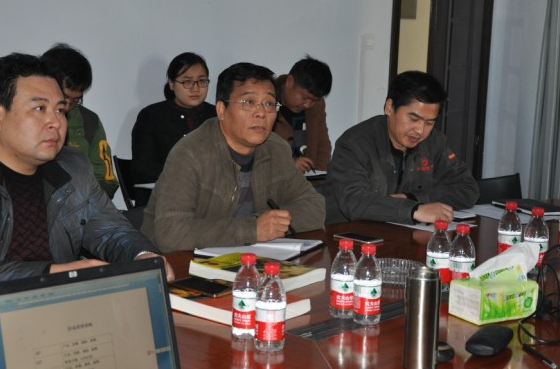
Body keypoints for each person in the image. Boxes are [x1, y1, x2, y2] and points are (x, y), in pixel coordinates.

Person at [0, 53, 173, 310]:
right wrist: (53, 274)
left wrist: (143, 255)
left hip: (54, 307)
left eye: (60, 110)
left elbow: (111, 231)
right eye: (39, 108)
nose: (56, 122)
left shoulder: (73, 168)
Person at [141, 62, 325, 253]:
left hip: (248, 258)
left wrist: (268, 225)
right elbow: (171, 234)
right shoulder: (189, 154)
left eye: (269, 104)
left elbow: (315, 208)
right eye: (249, 102)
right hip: (180, 264)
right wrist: (252, 229)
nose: (261, 113)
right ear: (221, 110)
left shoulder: (276, 149)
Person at [324, 70, 479, 225]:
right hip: (348, 232)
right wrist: (413, 210)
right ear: (389, 107)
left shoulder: (434, 142)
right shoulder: (354, 143)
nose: (420, 131)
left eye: (429, 123)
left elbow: (467, 188)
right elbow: (355, 202)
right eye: (413, 119)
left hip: (401, 233)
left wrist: (412, 198)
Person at [0, 43, 119, 198]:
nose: (66, 107)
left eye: (75, 101)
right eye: (63, 97)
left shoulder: (89, 122)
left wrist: (74, 200)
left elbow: (106, 181)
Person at [131, 52, 216, 204]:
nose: (196, 88)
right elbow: (143, 168)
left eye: (202, 81)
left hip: (210, 199)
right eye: (187, 82)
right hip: (161, 199)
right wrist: (188, 181)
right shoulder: (151, 116)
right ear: (171, 84)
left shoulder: (217, 115)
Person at [273, 55, 333, 172]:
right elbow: (258, 153)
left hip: (308, 180)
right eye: (305, 97)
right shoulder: (266, 101)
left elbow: (322, 145)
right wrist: (289, 165)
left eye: (314, 100)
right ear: (290, 82)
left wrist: (319, 175)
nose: (307, 104)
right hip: (275, 179)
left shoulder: (317, 105)